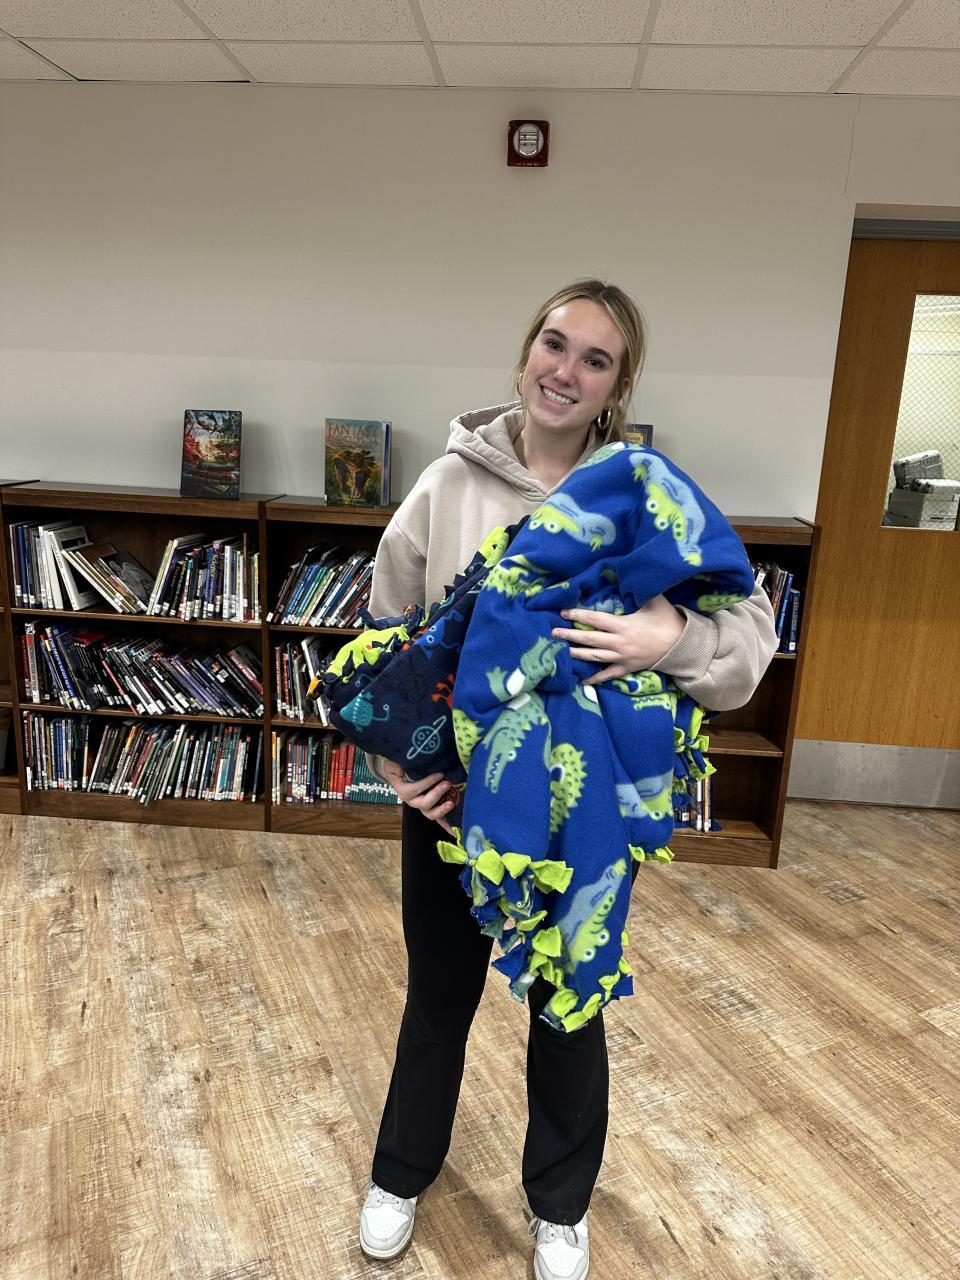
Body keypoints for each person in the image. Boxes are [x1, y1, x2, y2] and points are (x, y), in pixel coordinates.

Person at [357, 279, 779, 1279]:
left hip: (582, 812)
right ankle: (400, 1175)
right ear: (526, 351)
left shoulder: (645, 493)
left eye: (597, 359)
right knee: (439, 995)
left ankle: (559, 1204)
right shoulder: (446, 485)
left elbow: (749, 636)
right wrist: (393, 760)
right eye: (555, 343)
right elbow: (384, 642)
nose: (567, 370)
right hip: (454, 802)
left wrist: (670, 636)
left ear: (617, 386)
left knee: (568, 1000)